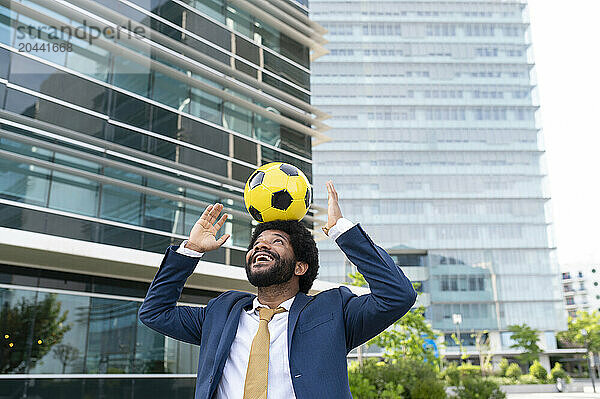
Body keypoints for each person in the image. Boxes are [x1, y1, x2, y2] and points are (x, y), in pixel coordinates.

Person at [139, 181, 417, 399]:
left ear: (300, 267)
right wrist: (190, 251)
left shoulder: (334, 312)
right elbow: (154, 312)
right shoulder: (222, 312)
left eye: (277, 242)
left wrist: (343, 232)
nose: (261, 246)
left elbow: (397, 295)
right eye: (257, 243)